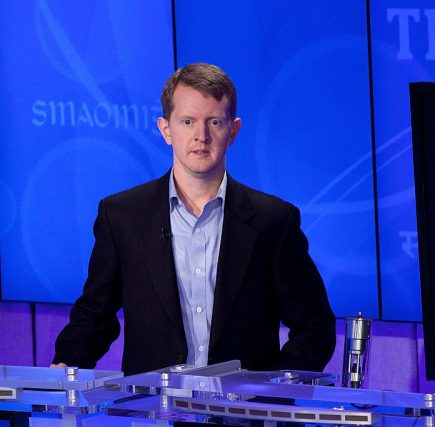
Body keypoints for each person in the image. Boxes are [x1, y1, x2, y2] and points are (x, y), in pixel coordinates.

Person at [51, 63, 336, 375]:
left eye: (214, 122)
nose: (201, 136)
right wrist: (67, 365)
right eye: (187, 122)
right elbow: (96, 314)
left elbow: (315, 327)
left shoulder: (273, 222)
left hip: (242, 417)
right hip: (153, 413)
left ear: (233, 131)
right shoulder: (123, 217)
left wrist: (271, 391)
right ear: (166, 129)